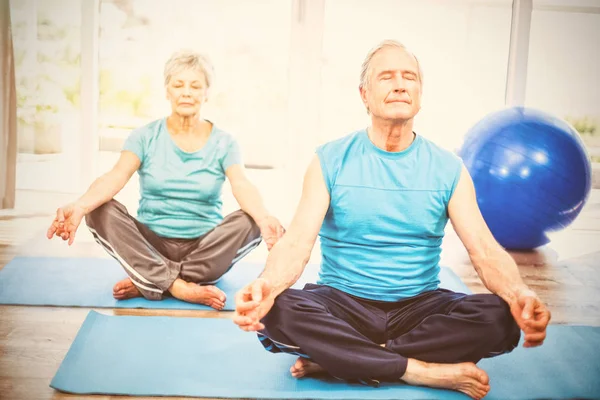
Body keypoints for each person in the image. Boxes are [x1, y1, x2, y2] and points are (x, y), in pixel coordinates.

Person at [233, 40, 551, 399]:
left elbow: (484, 250)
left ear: (419, 94)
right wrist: (266, 286)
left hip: (419, 307)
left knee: (501, 318)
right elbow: (297, 243)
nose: (400, 84)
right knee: (279, 312)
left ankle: (345, 360)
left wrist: (518, 292)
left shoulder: (449, 168)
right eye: (387, 77)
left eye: (409, 77)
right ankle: (418, 370)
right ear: (364, 95)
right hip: (343, 303)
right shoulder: (329, 160)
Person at [46, 50, 284, 310]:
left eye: (195, 86)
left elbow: (242, 185)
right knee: (98, 209)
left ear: (207, 93)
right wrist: (80, 206)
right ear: (166, 91)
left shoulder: (225, 142)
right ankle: (179, 287)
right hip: (151, 245)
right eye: (178, 84)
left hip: (204, 248)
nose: (186, 92)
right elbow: (116, 175)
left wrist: (264, 218)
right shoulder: (144, 136)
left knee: (250, 219)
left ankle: (149, 280)